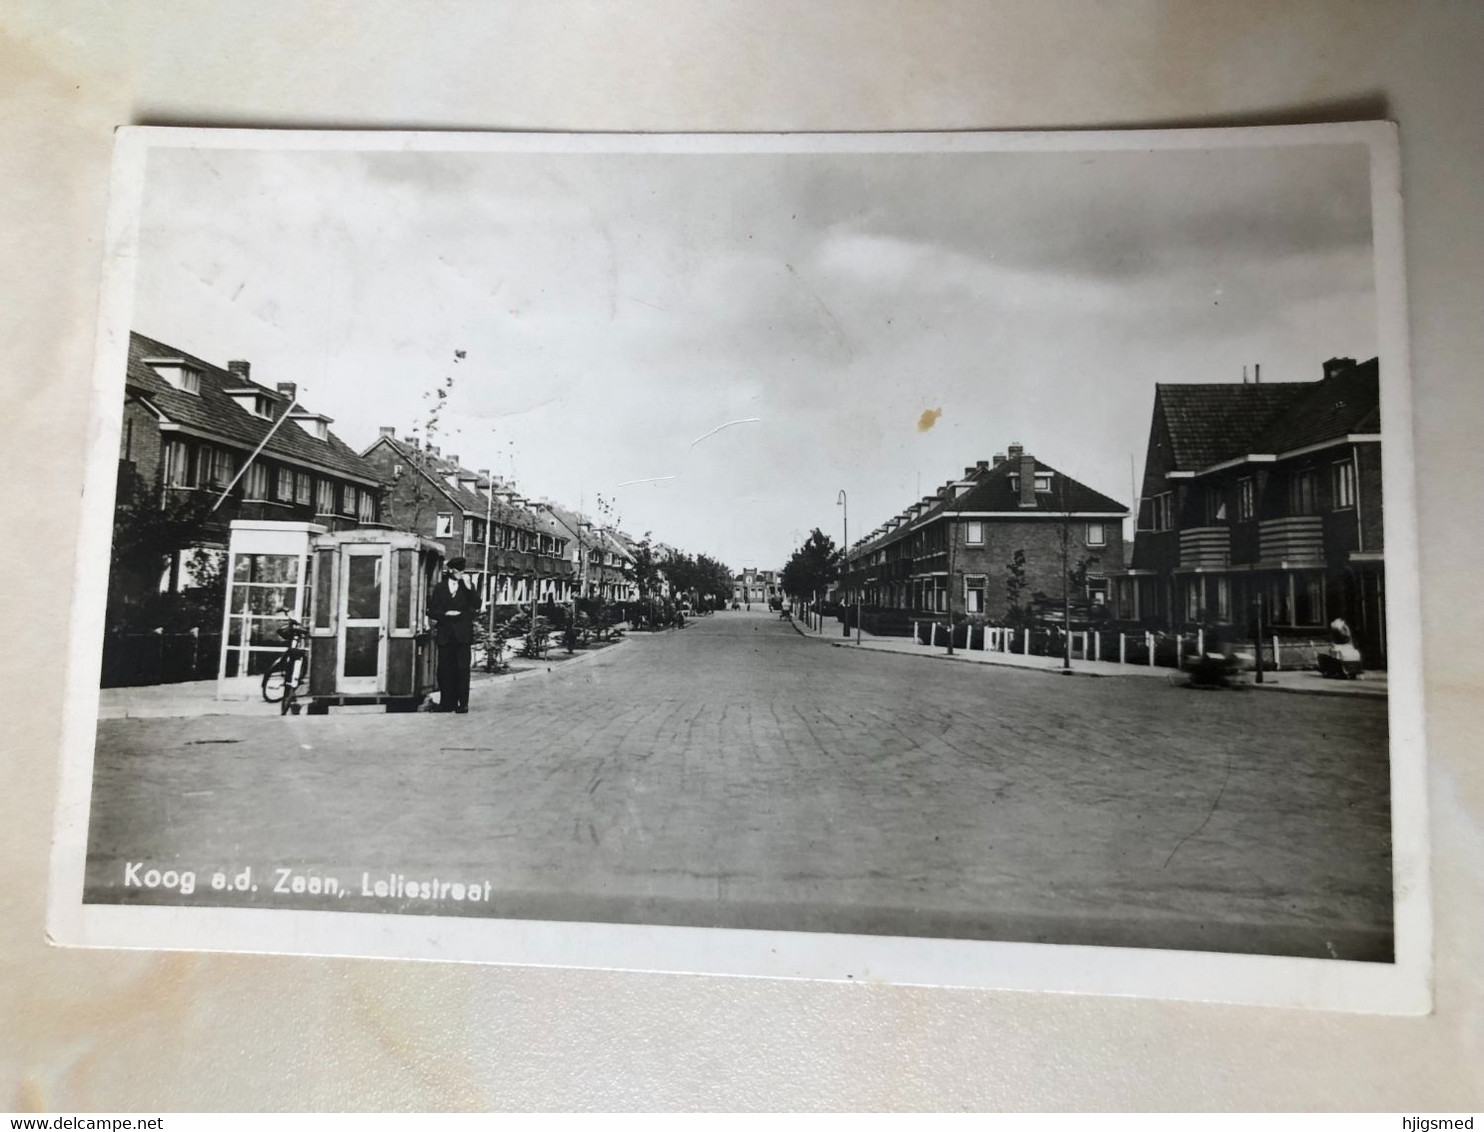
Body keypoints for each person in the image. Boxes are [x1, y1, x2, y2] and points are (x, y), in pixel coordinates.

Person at [426, 556, 482, 713]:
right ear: (450, 570)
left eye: (462, 571)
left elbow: (477, 604)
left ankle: (462, 703)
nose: (460, 574)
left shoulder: (467, 587)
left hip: (463, 635)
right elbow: (432, 610)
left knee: (462, 669)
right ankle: (446, 703)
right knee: (444, 670)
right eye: (458, 571)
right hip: (445, 635)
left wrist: (469, 586)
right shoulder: (440, 588)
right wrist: (445, 613)